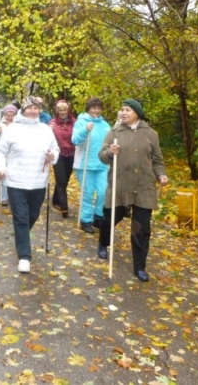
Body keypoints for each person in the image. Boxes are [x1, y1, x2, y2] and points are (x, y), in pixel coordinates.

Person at [97, 99, 168, 282]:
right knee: (111, 217)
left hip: (144, 185)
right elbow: (102, 157)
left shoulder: (151, 134)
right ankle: (103, 242)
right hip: (121, 184)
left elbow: (157, 159)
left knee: (142, 228)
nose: (123, 113)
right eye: (122, 110)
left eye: (127, 110)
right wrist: (111, 152)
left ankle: (140, 266)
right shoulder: (114, 132)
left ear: (137, 112)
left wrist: (161, 175)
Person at [0, 97, 59, 273]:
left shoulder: (45, 130)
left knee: (33, 215)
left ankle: (21, 235)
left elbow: (55, 149)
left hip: (39, 181)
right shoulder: (13, 129)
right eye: (29, 108)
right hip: (16, 180)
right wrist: (1, 167)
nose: (33, 111)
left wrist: (52, 156)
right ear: (22, 110)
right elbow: (0, 152)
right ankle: (24, 256)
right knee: (21, 217)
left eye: (36, 108)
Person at [71, 97, 111, 233]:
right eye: (94, 108)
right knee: (87, 194)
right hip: (85, 164)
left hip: (102, 164)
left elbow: (110, 142)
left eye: (99, 108)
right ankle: (85, 220)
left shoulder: (105, 125)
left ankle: (98, 216)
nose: (97, 111)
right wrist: (85, 130)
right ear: (88, 108)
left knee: (104, 191)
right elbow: (75, 140)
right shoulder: (81, 122)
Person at [48, 100, 76, 218]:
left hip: (71, 154)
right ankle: (64, 207)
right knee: (61, 179)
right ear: (57, 111)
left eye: (65, 110)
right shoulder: (52, 123)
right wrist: (50, 130)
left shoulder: (74, 122)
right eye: (60, 110)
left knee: (65, 179)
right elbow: (47, 138)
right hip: (58, 154)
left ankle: (55, 200)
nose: (63, 112)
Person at [0, 104, 18, 206]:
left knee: (13, 175)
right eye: (8, 115)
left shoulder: (19, 125)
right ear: (5, 115)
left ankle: (13, 196)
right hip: (3, 154)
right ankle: (4, 197)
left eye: (12, 115)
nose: (10, 117)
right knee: (3, 174)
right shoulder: (0, 125)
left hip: (14, 154)